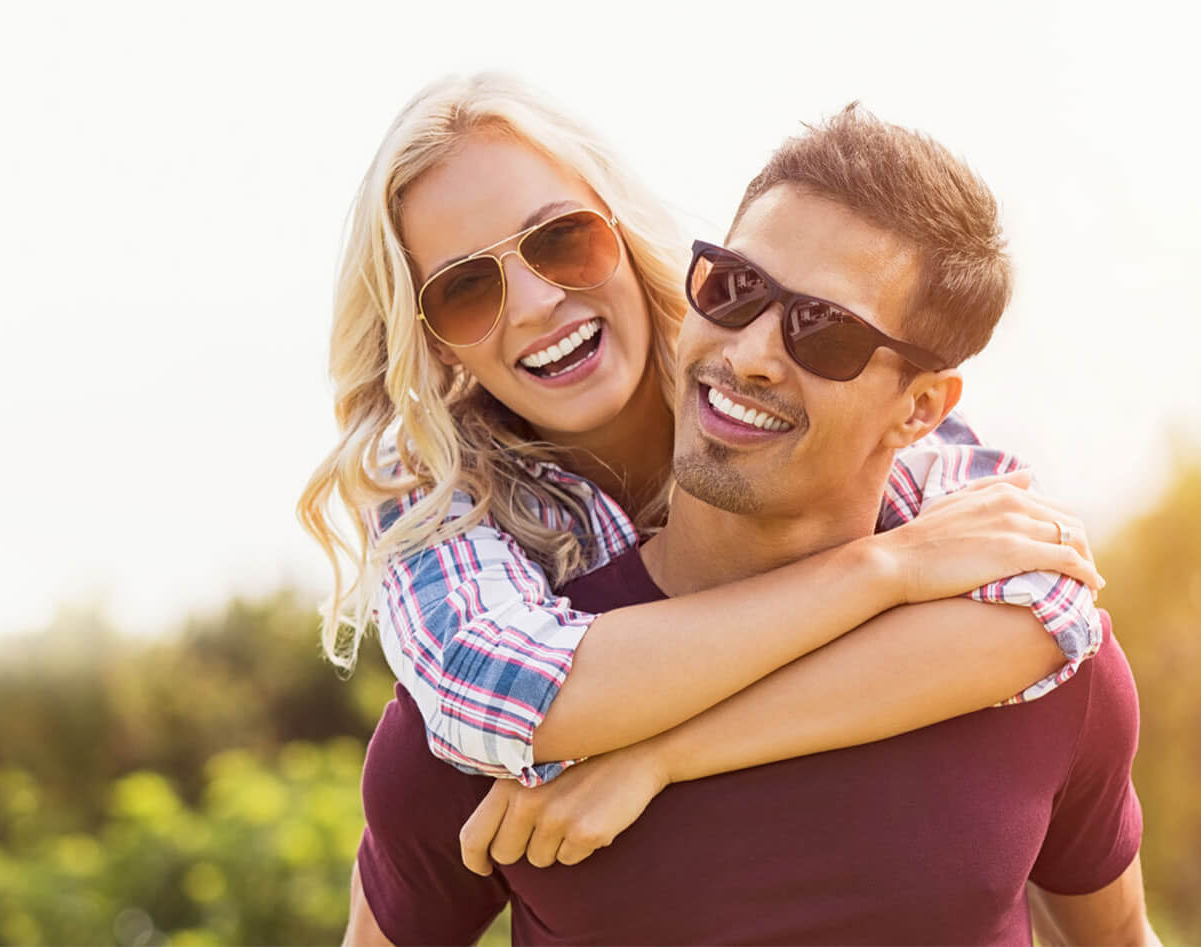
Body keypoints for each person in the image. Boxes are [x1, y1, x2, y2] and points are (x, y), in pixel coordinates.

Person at [345, 105, 1155, 945]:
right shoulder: (485, 722)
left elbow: (1057, 606)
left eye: (824, 331)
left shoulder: (1017, 650)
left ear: (920, 408)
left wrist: (656, 756)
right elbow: (500, 690)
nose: (752, 353)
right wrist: (885, 570)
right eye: (736, 290)